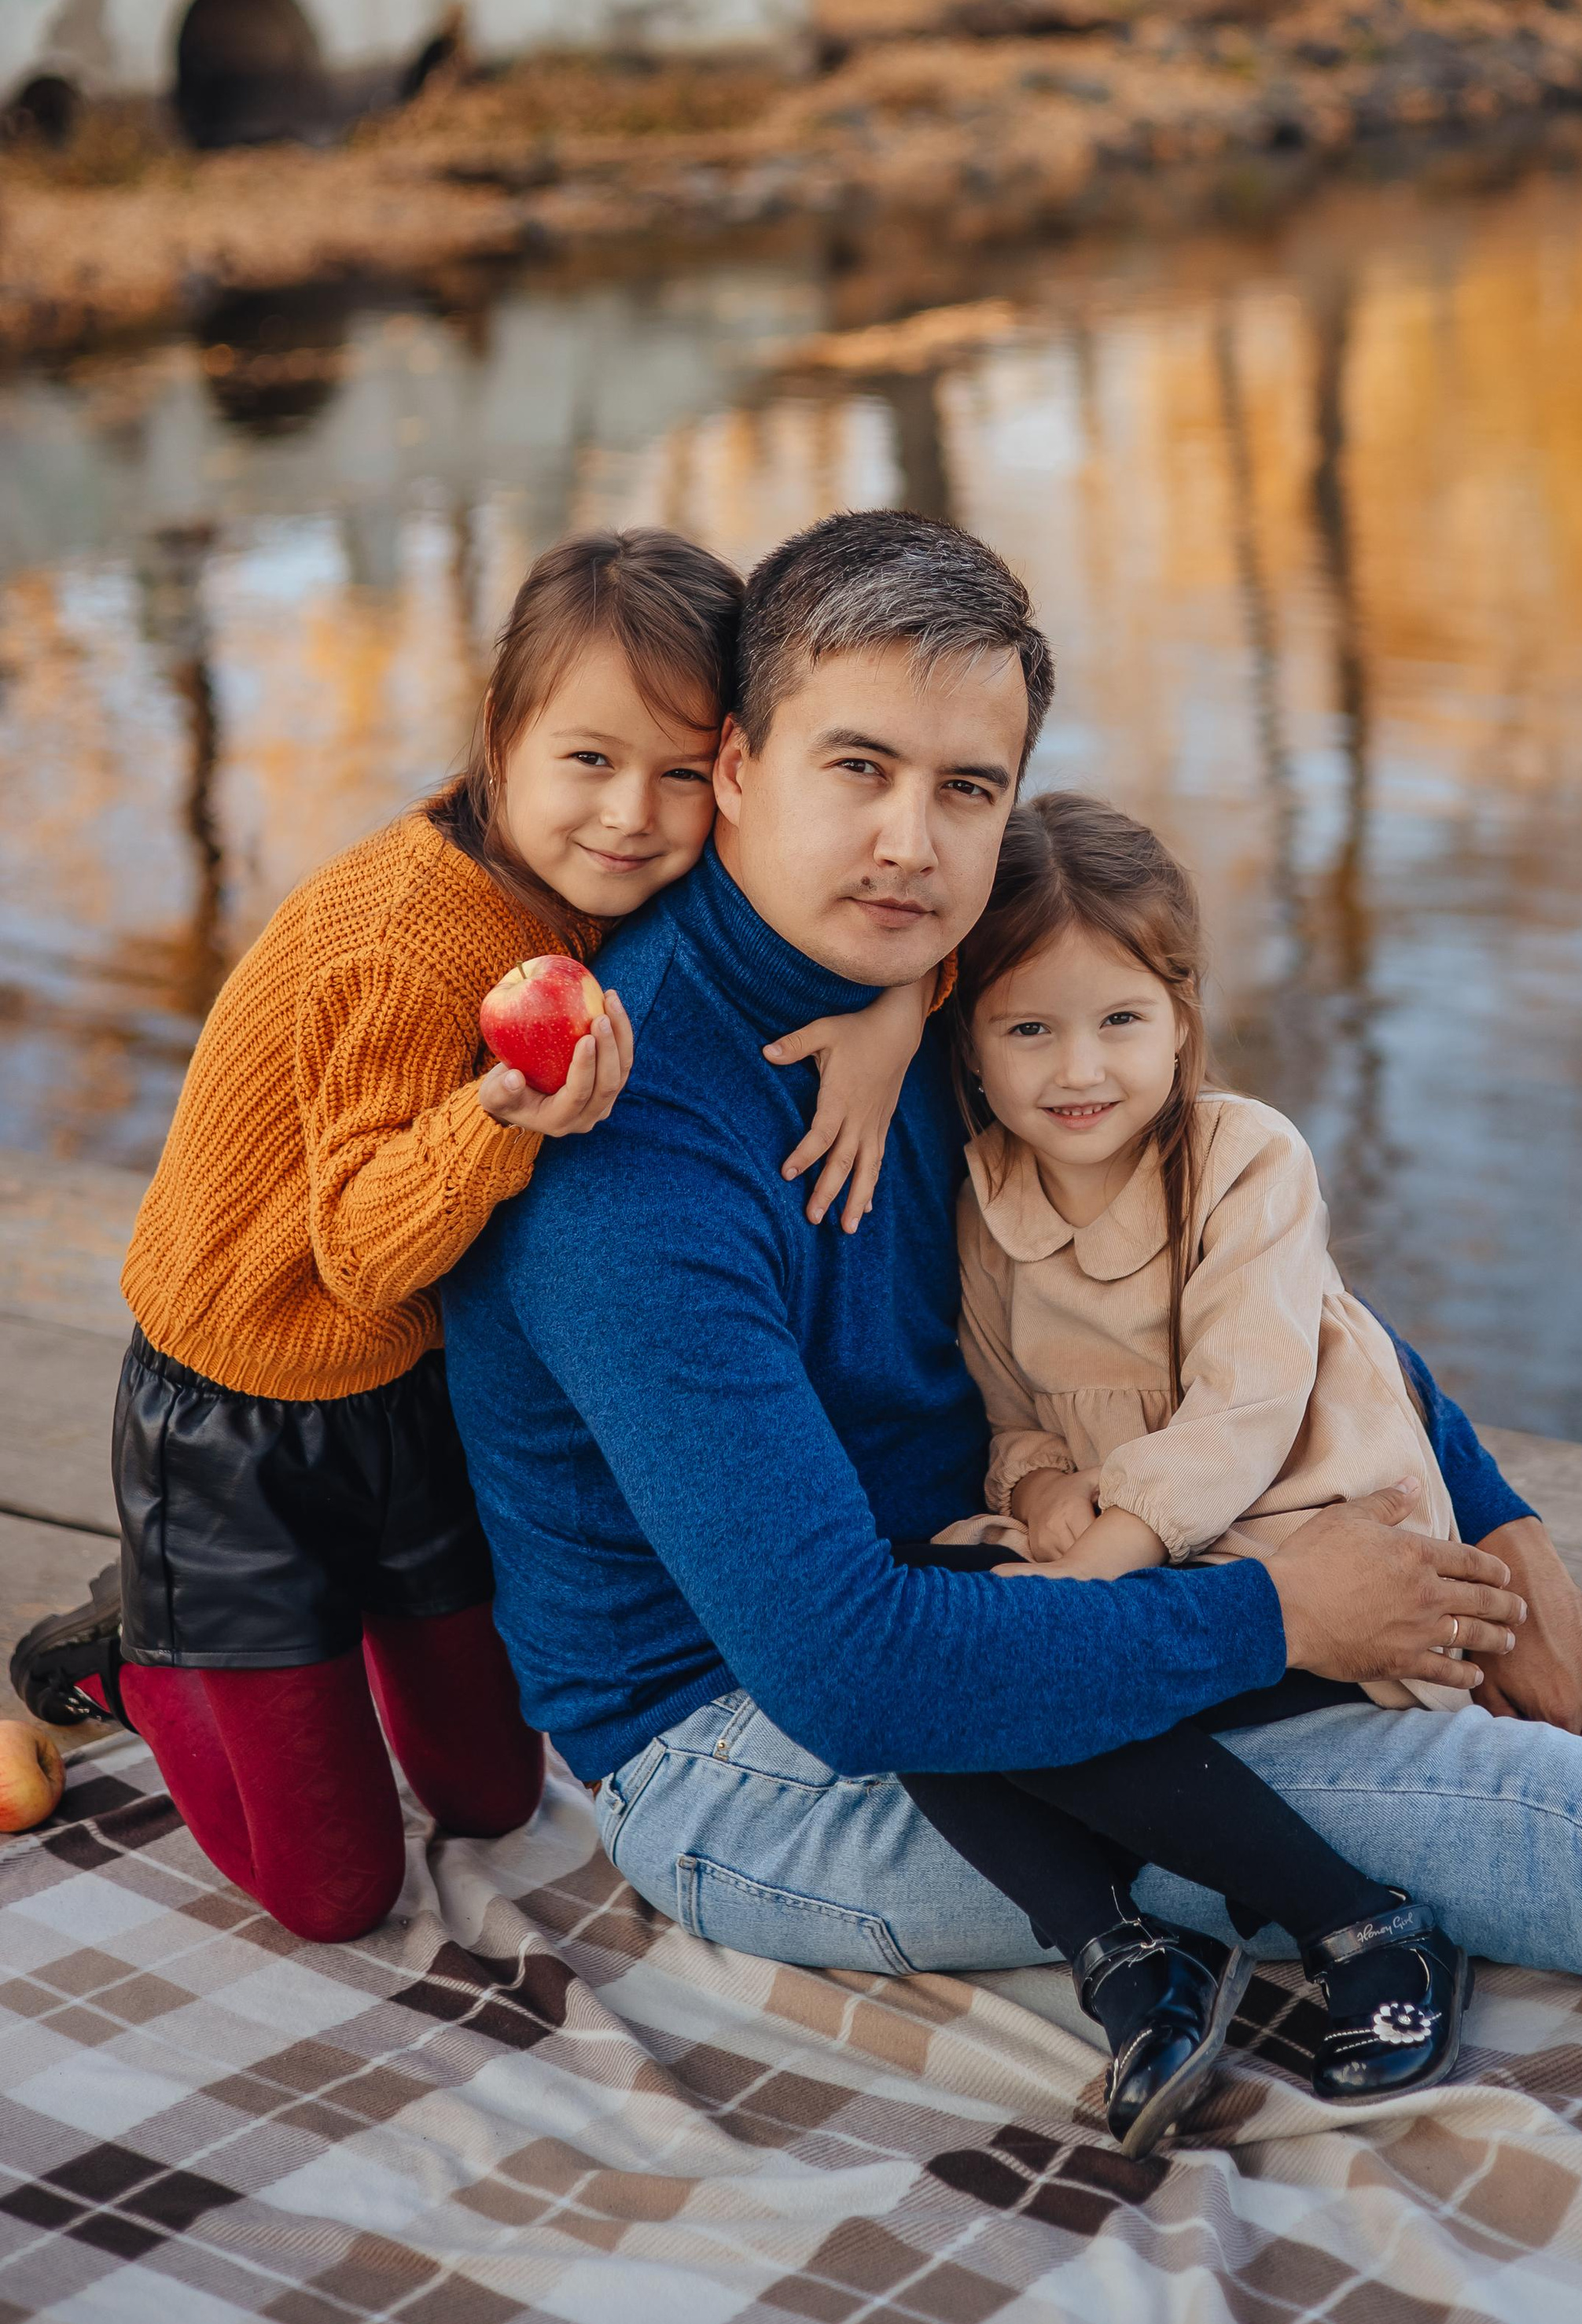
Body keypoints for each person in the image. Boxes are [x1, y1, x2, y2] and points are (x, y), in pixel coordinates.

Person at [442, 506, 1582, 2064]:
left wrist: (1511, 1551)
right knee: (1534, 1812)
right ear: (736, 770)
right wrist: (1272, 1616)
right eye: (855, 768)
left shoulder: (950, 996)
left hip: (1045, 1571)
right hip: (756, 1745)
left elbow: (1249, 1283)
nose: (909, 842)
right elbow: (849, 1672)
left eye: (964, 787)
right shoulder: (626, 1147)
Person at [10, 529, 930, 1942]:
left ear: (735, 773)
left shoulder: (614, 879)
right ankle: (139, 1650)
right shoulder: (403, 942)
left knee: (496, 1797)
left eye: (684, 774)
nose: (633, 814)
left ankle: (279, 1666)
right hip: (240, 1411)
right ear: (500, 738)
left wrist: (896, 1006)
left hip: (407, 1395)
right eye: (590, 760)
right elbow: (362, 1254)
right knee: (338, 1896)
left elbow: (962, 870)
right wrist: (508, 1119)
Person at [899, 790, 1489, 2153]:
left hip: (1310, 1552)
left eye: (1119, 1019)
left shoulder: (1244, 1160)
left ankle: (1366, 1926)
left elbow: (1244, 1409)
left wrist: (1099, 1574)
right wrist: (1048, 1504)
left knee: (1034, 1664)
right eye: (1027, 1028)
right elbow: (1011, 1412)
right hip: (1135, 1558)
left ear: (1177, 1016)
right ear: (971, 1047)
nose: (1078, 1066)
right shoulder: (985, 1197)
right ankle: (1121, 1958)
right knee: (911, 1635)